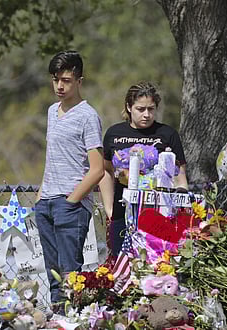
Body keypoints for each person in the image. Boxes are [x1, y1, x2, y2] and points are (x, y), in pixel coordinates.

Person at [35, 50, 104, 307]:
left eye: (66, 80)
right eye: (56, 80)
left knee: (69, 275)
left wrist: (72, 199)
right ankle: (57, 319)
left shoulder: (88, 115)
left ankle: (74, 318)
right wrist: (41, 196)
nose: (60, 86)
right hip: (46, 202)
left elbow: (97, 169)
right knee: (53, 275)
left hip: (70, 205)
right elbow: (51, 157)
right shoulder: (52, 111)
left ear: (79, 81)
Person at [99, 81, 188, 257]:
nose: (146, 114)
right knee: (122, 265)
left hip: (159, 214)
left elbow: (180, 176)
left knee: (157, 266)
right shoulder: (114, 134)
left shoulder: (168, 134)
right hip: (122, 214)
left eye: (151, 109)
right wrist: (109, 209)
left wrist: (178, 206)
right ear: (129, 107)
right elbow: (106, 171)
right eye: (141, 109)